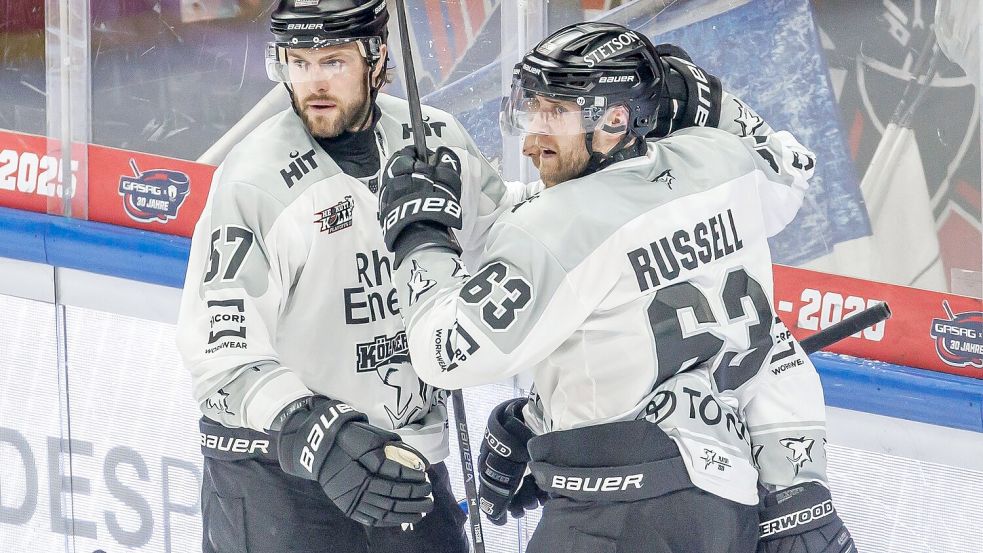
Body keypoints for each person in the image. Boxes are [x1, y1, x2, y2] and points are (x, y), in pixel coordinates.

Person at [379, 21, 857, 553]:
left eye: (555, 114)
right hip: (728, 505)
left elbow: (443, 352)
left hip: (616, 518)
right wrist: (705, 93)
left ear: (614, 119)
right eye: (531, 112)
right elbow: (793, 168)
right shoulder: (723, 162)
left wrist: (418, 237)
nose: (533, 141)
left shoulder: (554, 230)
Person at [174, 0, 529, 550]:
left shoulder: (434, 141)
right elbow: (221, 354)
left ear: (377, 56)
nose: (313, 81)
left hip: (402, 454)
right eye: (299, 62)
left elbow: (515, 241)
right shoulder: (255, 181)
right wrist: (312, 430)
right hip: (280, 469)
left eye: (334, 61)